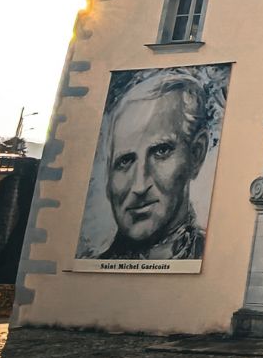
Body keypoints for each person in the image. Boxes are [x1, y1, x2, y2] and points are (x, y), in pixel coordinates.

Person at [91, 70, 212, 260]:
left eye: (161, 152)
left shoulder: (212, 253)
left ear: (197, 153)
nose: (139, 186)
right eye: (125, 161)